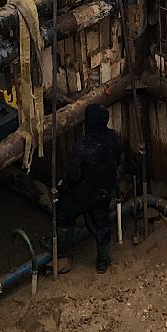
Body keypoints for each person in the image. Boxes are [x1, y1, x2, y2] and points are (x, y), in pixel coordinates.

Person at [55, 103, 123, 273]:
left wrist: (63, 184)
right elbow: (118, 161)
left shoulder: (83, 145)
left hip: (83, 194)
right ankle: (102, 261)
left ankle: (61, 251)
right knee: (101, 223)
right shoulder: (114, 137)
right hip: (105, 191)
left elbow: (74, 175)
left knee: (63, 212)